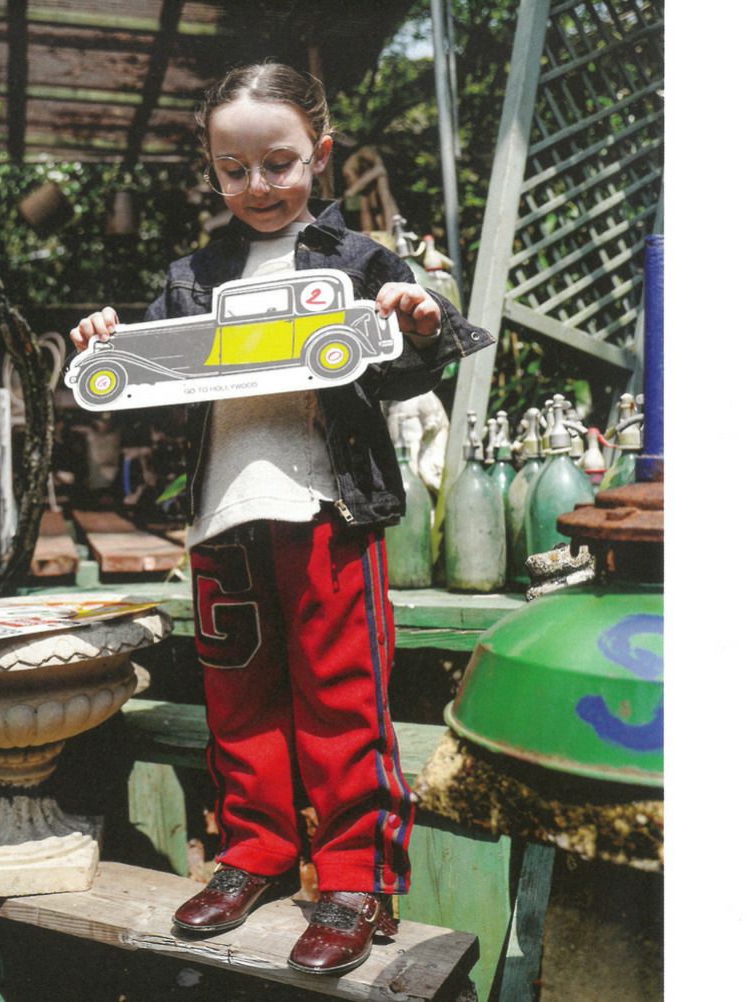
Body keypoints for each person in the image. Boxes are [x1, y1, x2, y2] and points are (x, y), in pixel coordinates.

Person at [70, 62, 494, 975]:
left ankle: (354, 879)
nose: (257, 185)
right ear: (212, 168)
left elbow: (419, 361)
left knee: (345, 694)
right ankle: (254, 850)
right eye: (234, 169)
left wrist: (419, 318)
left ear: (320, 154)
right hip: (223, 515)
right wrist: (108, 339)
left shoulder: (362, 262)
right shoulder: (191, 276)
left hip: (328, 506)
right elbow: (147, 381)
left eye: (279, 163)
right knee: (238, 696)